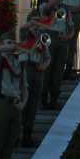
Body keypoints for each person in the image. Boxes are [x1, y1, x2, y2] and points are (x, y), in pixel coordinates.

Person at [18, 20, 53, 148]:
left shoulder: (42, 39)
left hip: (37, 70)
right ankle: (17, 134)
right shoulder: (24, 35)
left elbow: (48, 57)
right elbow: (23, 27)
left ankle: (27, 134)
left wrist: (43, 66)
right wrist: (32, 24)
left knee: (32, 105)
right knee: (22, 102)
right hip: (25, 68)